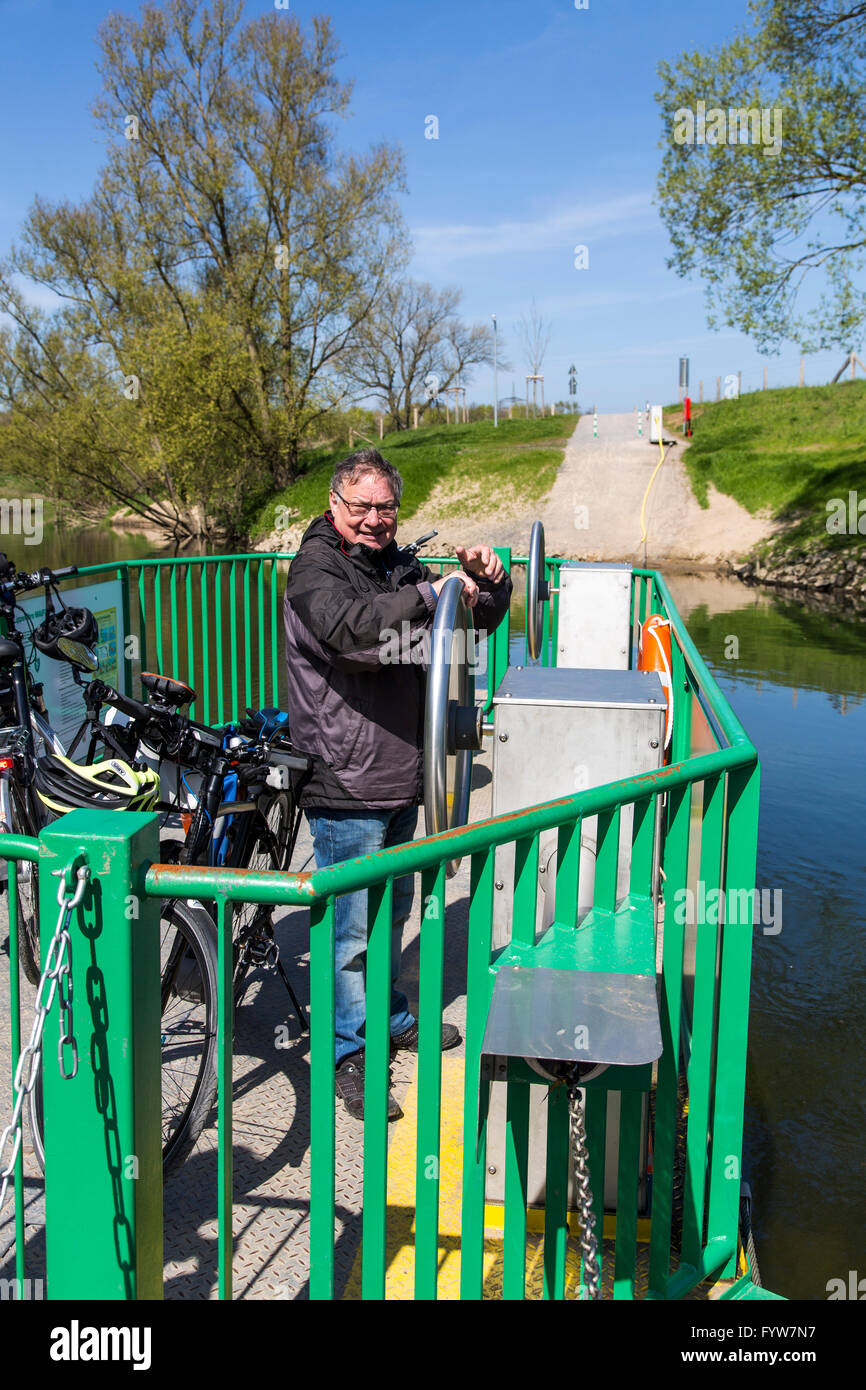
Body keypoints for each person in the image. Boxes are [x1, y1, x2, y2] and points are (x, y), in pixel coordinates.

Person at [283, 448, 512, 1119]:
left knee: (389, 915)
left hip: (400, 772)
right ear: (335, 506)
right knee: (348, 933)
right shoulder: (316, 567)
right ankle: (347, 1055)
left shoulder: (392, 564)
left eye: (386, 507)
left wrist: (484, 586)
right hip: (346, 775)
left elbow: (466, 628)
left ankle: (383, 1018)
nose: (375, 519)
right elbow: (352, 635)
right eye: (362, 507)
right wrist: (427, 596)